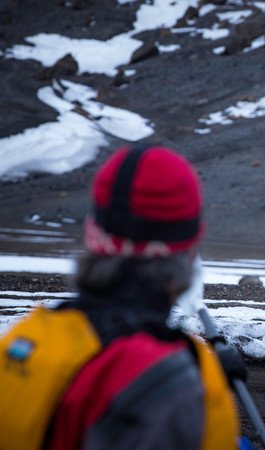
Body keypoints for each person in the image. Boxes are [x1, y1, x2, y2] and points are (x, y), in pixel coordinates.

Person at [0, 144, 244, 450]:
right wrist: (208, 391)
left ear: (92, 232)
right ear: (191, 249)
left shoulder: (24, 341)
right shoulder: (173, 383)